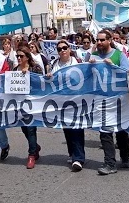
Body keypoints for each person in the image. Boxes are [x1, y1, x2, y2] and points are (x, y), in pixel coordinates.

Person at [86, 30, 129, 175]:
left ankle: (125, 157)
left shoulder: (119, 55)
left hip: (119, 100)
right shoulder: (93, 56)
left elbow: (128, 72)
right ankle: (110, 163)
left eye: (102, 40)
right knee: (105, 132)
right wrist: (89, 65)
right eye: (97, 40)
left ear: (109, 40)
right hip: (101, 100)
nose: (99, 43)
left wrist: (114, 66)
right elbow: (85, 77)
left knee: (121, 130)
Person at [46, 40, 84, 171]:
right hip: (61, 103)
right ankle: (72, 153)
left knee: (76, 129)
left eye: (64, 48)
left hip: (76, 101)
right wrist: (49, 76)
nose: (62, 50)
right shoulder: (54, 64)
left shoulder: (77, 62)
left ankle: (78, 158)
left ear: (69, 49)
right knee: (67, 129)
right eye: (59, 49)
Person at [13, 44, 43, 169]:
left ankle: (31, 155)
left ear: (27, 57)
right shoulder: (15, 69)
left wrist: (29, 76)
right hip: (20, 104)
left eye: (21, 56)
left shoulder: (35, 68)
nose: (18, 58)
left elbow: (42, 84)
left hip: (33, 104)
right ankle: (35, 146)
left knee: (31, 128)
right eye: (17, 56)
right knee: (24, 128)